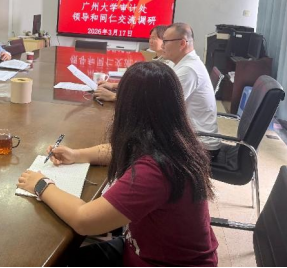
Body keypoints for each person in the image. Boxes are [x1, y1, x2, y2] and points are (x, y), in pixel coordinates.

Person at [17, 62, 218, 267]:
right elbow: (117, 150)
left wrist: (41, 184)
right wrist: (76, 154)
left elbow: (84, 220)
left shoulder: (155, 171)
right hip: (142, 249)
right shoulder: (173, 140)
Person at [162, 23, 221, 157]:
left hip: (200, 145)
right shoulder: (181, 63)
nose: (162, 45)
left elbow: (162, 107)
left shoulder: (189, 70)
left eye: (165, 41)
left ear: (182, 43)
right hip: (191, 137)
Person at [94, 25, 170, 102]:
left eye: (154, 38)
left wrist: (114, 96)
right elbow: (141, 84)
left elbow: (149, 93)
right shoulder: (159, 59)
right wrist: (113, 85)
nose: (150, 41)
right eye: (150, 38)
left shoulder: (167, 65)